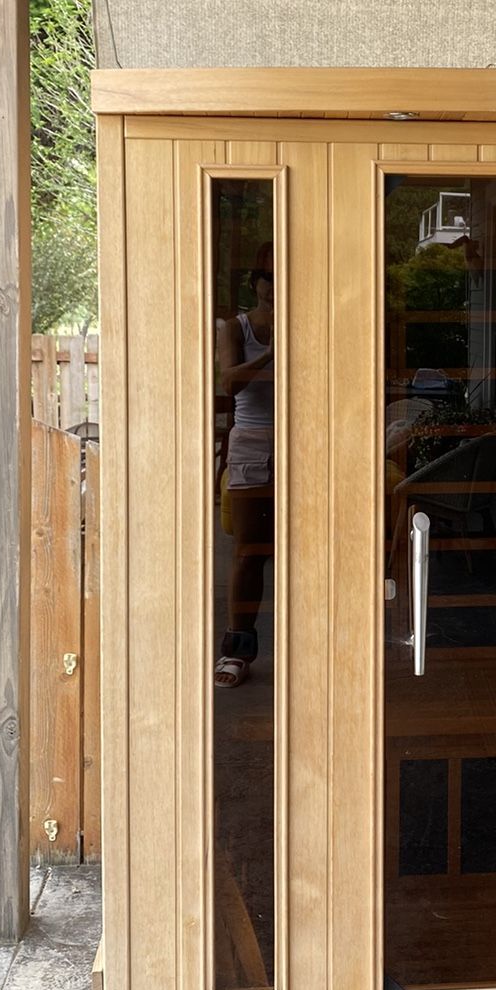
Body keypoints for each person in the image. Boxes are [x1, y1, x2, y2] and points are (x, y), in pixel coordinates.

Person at [215, 243, 273, 688]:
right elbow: (229, 382)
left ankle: (308, 646)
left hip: (305, 444)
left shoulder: (311, 320)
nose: (274, 287)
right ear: (255, 283)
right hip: (252, 444)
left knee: (306, 554)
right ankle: (237, 651)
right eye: (267, 277)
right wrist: (276, 351)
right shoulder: (235, 327)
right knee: (249, 552)